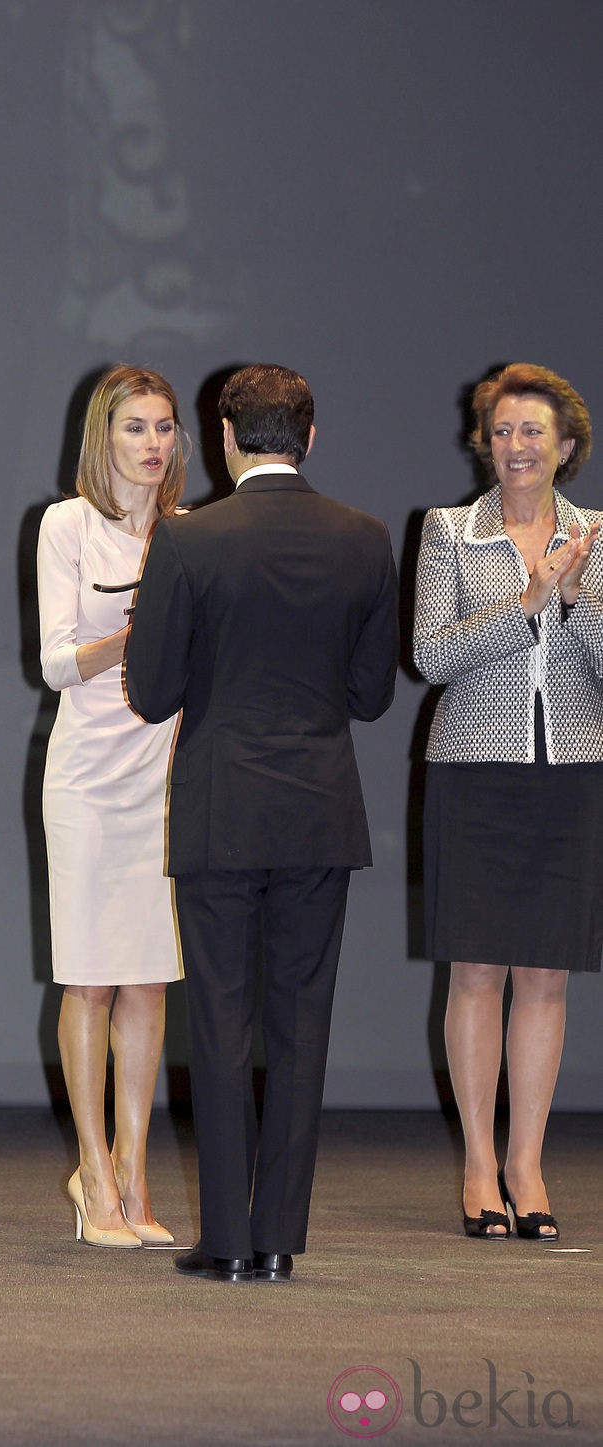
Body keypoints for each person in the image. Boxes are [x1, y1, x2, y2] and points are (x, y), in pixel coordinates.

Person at [126, 363, 398, 1283]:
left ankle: (227, 1244)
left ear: (226, 437)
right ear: (310, 438)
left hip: (221, 804)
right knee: (302, 1022)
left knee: (220, 1017)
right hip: (322, 810)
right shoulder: (363, 540)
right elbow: (369, 698)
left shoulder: (189, 541)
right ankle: (279, 1235)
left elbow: (154, 690)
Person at [413, 362, 601, 1242]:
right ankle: (480, 1163)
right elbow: (430, 655)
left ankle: (528, 1161)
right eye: (501, 431)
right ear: (482, 443)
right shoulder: (449, 531)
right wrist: (527, 602)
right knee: (478, 969)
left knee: (547, 974)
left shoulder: (599, 535)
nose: (517, 447)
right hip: (474, 769)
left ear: (567, 446)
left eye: (533, 432)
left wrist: (575, 601)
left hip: (570, 769)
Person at [37, 364, 186, 1248]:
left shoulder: (190, 533)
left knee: (150, 977)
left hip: (166, 773)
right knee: (90, 974)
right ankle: (90, 1169)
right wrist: (140, 635)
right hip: (89, 778)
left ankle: (134, 1171)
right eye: (136, 427)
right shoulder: (68, 524)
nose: (154, 443)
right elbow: (56, 661)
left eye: (165, 427)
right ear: (105, 436)